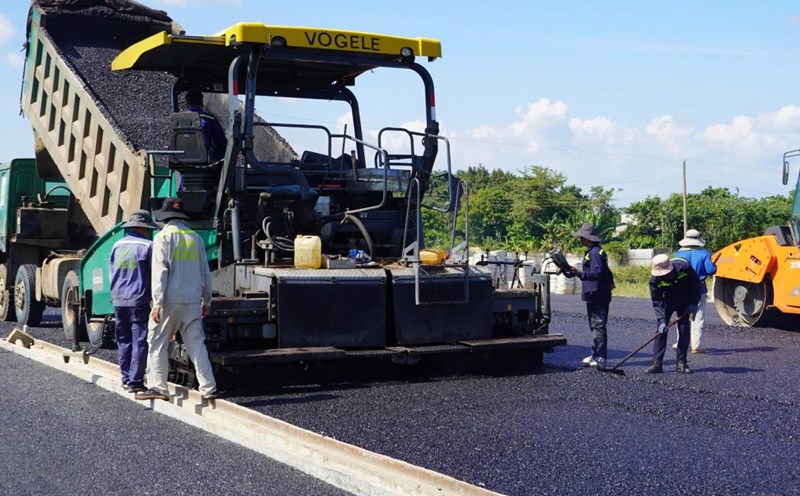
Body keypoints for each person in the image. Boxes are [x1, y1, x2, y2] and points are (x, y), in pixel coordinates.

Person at [136, 197, 220, 401]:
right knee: (196, 344)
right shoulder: (195, 238)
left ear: (165, 217)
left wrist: (157, 302)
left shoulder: (163, 237)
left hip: (168, 300)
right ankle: (208, 387)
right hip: (192, 300)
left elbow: (160, 272)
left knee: (157, 341)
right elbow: (205, 273)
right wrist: (207, 301)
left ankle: (158, 387)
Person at [109, 209, 158, 394]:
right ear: (143, 228)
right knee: (139, 340)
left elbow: (112, 272)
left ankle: (125, 377)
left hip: (118, 299)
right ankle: (135, 382)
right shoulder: (147, 246)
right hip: (138, 299)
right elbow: (154, 275)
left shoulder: (117, 245)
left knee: (123, 339)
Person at [570, 223, 615, 369]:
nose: (580, 240)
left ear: (587, 238)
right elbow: (606, 272)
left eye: (581, 237)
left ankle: (600, 358)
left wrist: (580, 273)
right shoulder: (593, 251)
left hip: (597, 295)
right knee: (595, 326)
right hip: (595, 293)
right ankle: (595, 354)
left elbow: (598, 273)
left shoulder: (595, 253)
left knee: (598, 326)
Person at [647, 254, 701, 374]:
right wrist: (661, 320)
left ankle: (681, 363)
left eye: (665, 274)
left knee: (683, 330)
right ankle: (657, 364)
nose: (664, 277)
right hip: (666, 303)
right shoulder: (654, 280)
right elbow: (657, 301)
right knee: (660, 332)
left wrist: (693, 303)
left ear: (670, 269)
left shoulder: (684, 268)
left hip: (684, 301)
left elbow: (696, 285)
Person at [672, 229, 717, 353]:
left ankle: (680, 342)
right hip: (699, 288)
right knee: (698, 317)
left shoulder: (678, 254)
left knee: (681, 316)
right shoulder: (704, 253)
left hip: (682, 289)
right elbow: (711, 270)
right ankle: (695, 346)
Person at [185, 90, 227, 162]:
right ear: (202, 103)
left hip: (183, 160)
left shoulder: (178, 119)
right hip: (205, 160)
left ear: (187, 103)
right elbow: (221, 142)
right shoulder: (209, 118)